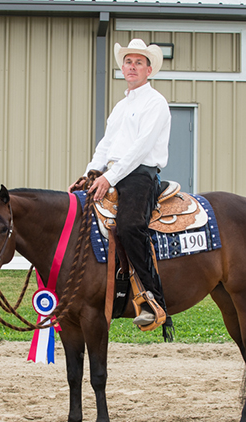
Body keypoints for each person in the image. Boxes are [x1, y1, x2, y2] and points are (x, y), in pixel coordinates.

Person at [68, 38, 170, 328]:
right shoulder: (121, 106)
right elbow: (107, 143)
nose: (132, 66)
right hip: (112, 171)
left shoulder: (156, 103)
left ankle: (152, 298)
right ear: (123, 67)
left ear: (149, 69)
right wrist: (91, 172)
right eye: (128, 62)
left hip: (140, 174)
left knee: (129, 226)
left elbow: (139, 148)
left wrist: (108, 177)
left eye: (139, 62)